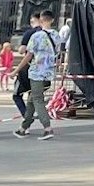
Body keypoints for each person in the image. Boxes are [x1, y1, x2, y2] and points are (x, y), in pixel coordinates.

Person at [18, 10, 61, 139]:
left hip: (36, 72)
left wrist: (17, 69)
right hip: (48, 72)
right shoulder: (56, 35)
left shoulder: (36, 36)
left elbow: (28, 55)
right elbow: (58, 54)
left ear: (41, 20)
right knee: (32, 99)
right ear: (52, 20)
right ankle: (23, 127)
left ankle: (47, 128)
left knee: (37, 99)